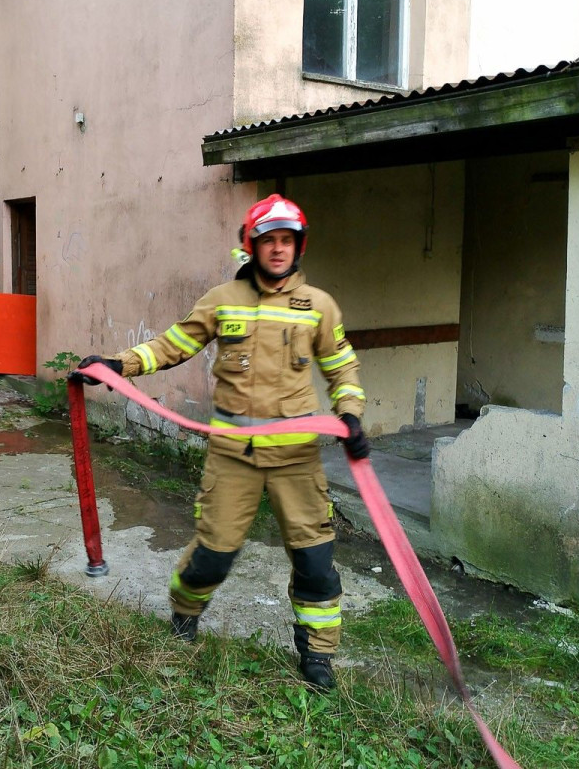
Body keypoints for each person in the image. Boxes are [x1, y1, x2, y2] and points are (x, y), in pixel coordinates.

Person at [72, 193, 369, 693]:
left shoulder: (319, 306)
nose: (278, 250)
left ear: (299, 246)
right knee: (213, 554)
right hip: (234, 455)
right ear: (251, 246)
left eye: (287, 241)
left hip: (297, 457)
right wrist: (118, 365)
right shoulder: (222, 300)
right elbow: (173, 345)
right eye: (268, 240)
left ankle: (318, 655)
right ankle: (184, 617)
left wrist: (352, 417)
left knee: (315, 560)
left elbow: (342, 367)